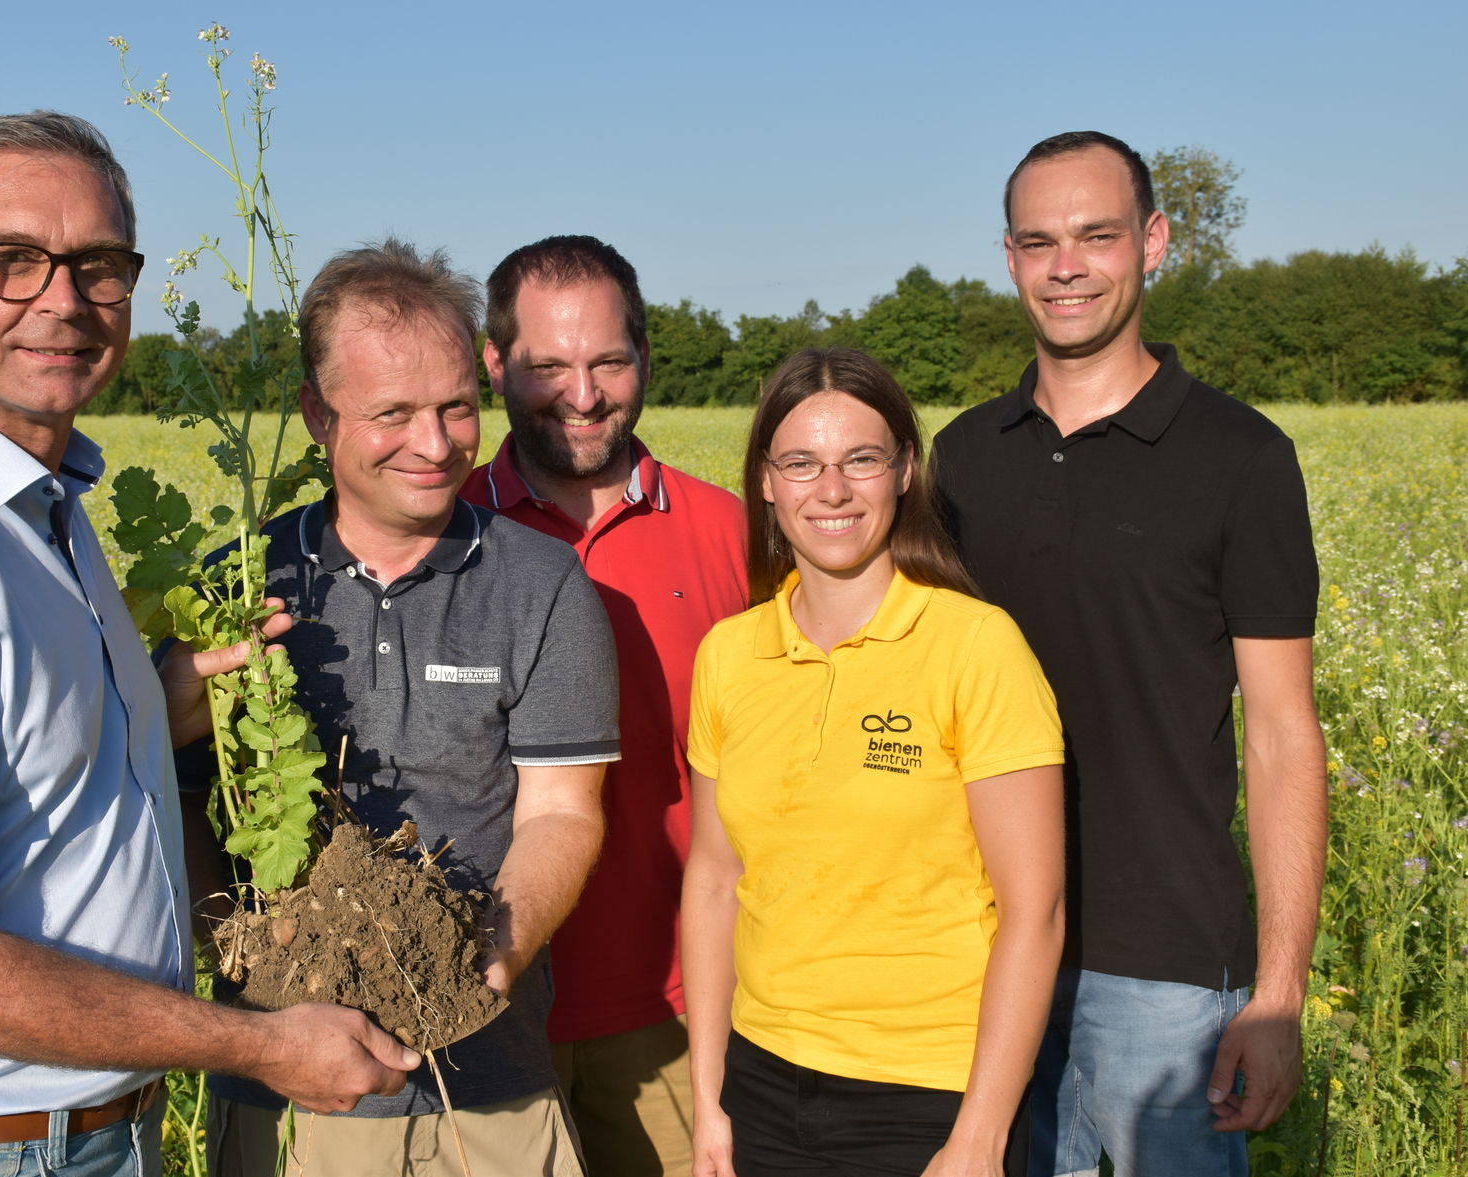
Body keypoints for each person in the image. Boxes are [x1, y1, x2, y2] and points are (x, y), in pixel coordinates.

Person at [0, 112, 418, 1177]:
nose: (62, 299)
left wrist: (148, 704)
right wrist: (261, 1044)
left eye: (98, 264)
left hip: (76, 1137)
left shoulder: (34, 510)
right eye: (10, 259)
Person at [930, 131, 1327, 1176]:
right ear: (1009, 258)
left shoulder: (1243, 457)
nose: (1066, 266)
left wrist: (1279, 993)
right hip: (985, 945)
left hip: (1166, 971)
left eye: (1096, 236)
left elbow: (1282, 734)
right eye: (1039, 242)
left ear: (1153, 243)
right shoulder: (961, 456)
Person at [183, 238, 619, 1177]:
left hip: (489, 1092)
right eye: (393, 413)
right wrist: (239, 953)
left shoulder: (541, 582)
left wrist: (479, 969)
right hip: (283, 1092)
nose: (435, 443)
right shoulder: (243, 584)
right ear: (317, 413)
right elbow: (183, 799)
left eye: (456, 407)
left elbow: (561, 812)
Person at [682, 346, 1066, 1177]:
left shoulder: (976, 646)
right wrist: (709, 1098)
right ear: (765, 481)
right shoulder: (729, 654)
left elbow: (1034, 910)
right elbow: (713, 879)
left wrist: (978, 1137)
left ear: (904, 471)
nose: (831, 489)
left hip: (927, 1092)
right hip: (761, 1081)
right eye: (801, 462)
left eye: (861, 459)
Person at [463, 234, 748, 1176]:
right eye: (548, 366)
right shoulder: (445, 529)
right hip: (486, 1012)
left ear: (646, 358)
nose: (583, 395)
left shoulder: (733, 532)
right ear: (495, 364)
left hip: (680, 1012)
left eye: (609, 361)